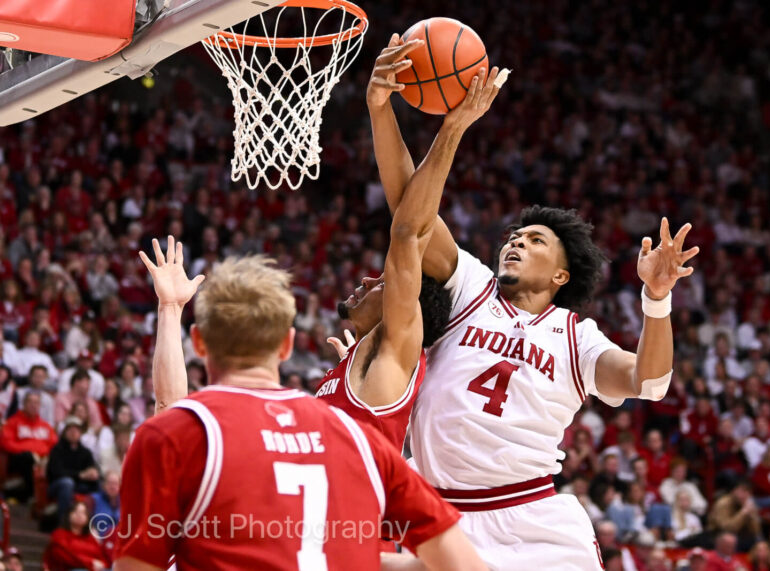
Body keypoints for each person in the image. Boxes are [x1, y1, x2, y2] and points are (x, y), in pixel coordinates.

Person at [369, 32, 700, 570]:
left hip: (531, 520)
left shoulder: (575, 336)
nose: (517, 241)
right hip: (436, 516)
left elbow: (652, 381)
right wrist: (381, 111)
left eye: (535, 240)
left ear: (563, 273)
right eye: (514, 237)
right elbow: (410, 212)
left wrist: (655, 299)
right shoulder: (469, 289)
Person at [114, 250, 486, 570]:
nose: (370, 280)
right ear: (287, 345)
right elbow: (462, 563)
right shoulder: (356, 439)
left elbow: (406, 242)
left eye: (383, 282)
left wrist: (169, 309)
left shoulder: (180, 433)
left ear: (198, 342)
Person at [313, 42, 503, 450]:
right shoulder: (362, 361)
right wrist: (379, 107)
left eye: (385, 281)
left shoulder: (399, 343)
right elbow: (407, 217)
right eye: (384, 280)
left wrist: (453, 127)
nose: (369, 277)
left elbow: (407, 230)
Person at [0, 391, 57, 501]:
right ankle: (31, 495)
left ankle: (43, 498)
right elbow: (5, 443)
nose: (33, 405)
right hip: (18, 459)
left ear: (39, 406)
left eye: (36, 403)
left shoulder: (46, 426)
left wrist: (43, 456)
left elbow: (54, 444)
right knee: (27, 457)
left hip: (42, 460)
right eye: (30, 402)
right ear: (24, 404)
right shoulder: (13, 422)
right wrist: (31, 452)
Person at [46, 416, 100, 520]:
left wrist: (93, 473)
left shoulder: (85, 452)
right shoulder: (57, 450)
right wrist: (80, 475)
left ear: (81, 433)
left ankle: (95, 524)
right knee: (67, 483)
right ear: (65, 431)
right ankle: (63, 522)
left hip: (79, 485)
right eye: (70, 429)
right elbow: (56, 472)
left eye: (77, 430)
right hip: (57, 485)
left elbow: (91, 468)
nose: (73, 432)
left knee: (101, 484)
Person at [43, 500, 110, 571]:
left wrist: (101, 565)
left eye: (83, 513)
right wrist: (90, 563)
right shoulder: (59, 534)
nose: (79, 515)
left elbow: (103, 560)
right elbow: (63, 556)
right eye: (75, 511)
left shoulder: (91, 538)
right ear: (69, 514)